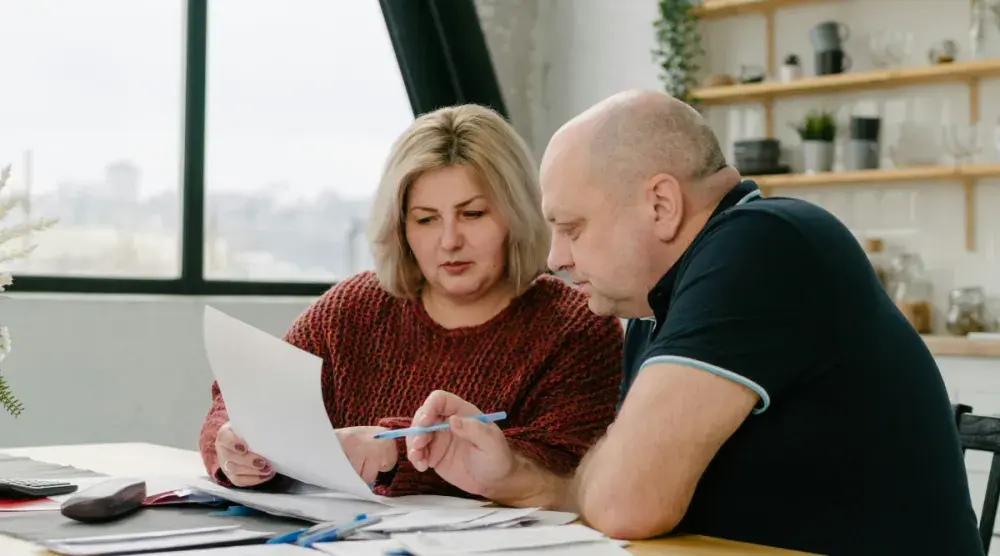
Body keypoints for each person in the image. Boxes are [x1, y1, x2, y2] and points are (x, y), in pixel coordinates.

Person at [403, 90, 984, 554]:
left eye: (572, 227)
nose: (556, 258)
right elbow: (618, 494)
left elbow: (628, 503)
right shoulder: (655, 309)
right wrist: (515, 477)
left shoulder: (762, 244)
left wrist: (603, 478)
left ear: (661, 204)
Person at [196, 103, 624, 499]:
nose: (450, 241)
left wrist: (394, 454)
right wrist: (231, 442)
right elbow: (245, 399)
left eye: (473, 214)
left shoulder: (578, 326)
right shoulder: (352, 309)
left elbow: (566, 468)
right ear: (400, 228)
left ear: (516, 215)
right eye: (426, 219)